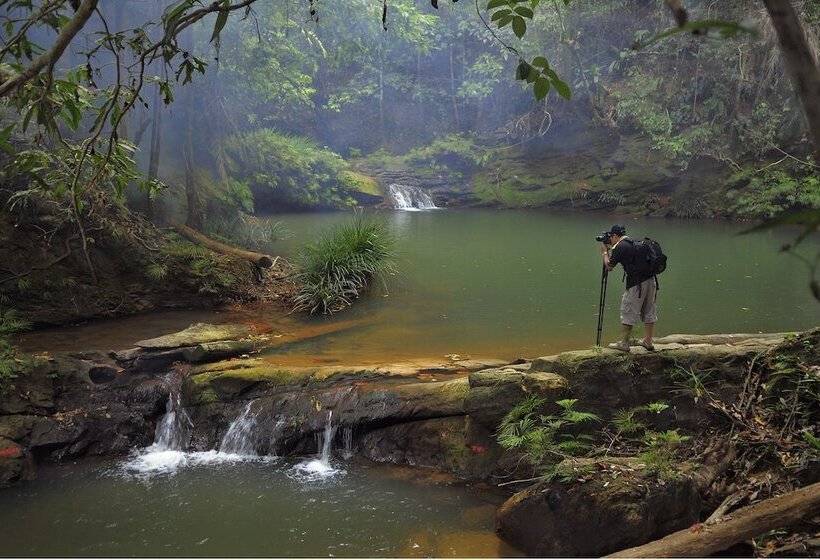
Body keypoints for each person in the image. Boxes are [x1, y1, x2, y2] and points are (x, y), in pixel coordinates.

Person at [600, 224, 657, 353]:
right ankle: (648, 341)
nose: (610, 240)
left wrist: (604, 252)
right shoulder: (635, 242)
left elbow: (609, 266)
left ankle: (624, 343)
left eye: (611, 237)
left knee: (628, 311)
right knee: (649, 311)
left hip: (636, 284)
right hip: (651, 281)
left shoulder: (621, 246)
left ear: (615, 236)